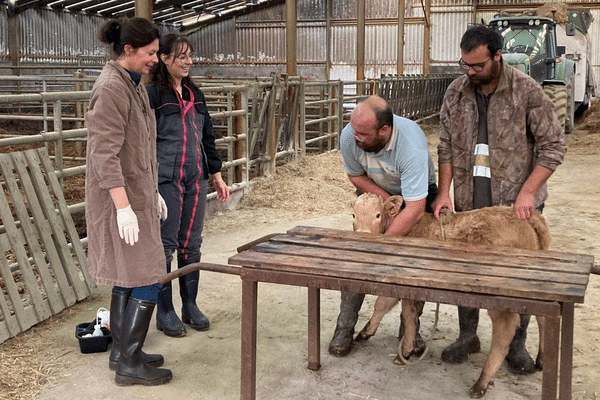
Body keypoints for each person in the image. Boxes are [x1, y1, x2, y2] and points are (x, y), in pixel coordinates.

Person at [433, 25, 566, 374]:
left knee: (516, 275)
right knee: (467, 271)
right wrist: (444, 192)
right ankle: (467, 335)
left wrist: (529, 192)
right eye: (465, 65)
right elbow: (445, 144)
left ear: (497, 56)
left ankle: (514, 344)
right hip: (469, 199)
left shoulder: (528, 91)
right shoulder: (456, 92)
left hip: (514, 206)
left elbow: (553, 146)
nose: (471, 72)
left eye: (477, 65)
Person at [85, 17, 172, 386]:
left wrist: (151, 191)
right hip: (119, 200)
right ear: (129, 50)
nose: (156, 59)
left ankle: (123, 351)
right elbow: (104, 154)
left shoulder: (133, 84)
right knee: (150, 273)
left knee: (128, 273)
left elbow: (135, 148)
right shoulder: (111, 88)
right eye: (150, 53)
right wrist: (123, 207)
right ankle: (129, 365)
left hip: (137, 194)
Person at [329, 95, 438, 357]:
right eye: (353, 131)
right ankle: (344, 327)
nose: (355, 138)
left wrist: (383, 243)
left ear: (385, 130)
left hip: (417, 197)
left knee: (412, 262)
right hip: (377, 190)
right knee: (359, 256)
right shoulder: (351, 135)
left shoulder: (410, 145)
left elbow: (413, 208)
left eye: (363, 134)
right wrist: (383, 202)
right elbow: (355, 175)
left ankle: (410, 329)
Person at [147, 33, 230, 338]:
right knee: (165, 245)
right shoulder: (153, 96)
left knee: (191, 244)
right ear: (164, 58)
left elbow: (207, 137)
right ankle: (164, 310)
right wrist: (149, 185)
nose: (188, 61)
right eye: (181, 56)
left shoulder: (195, 95)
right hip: (165, 180)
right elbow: (144, 142)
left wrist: (217, 175)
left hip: (194, 179)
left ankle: (190, 305)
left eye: (190, 55)